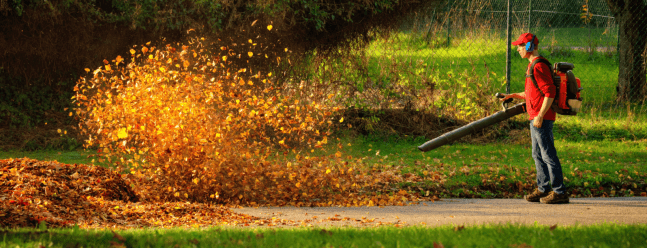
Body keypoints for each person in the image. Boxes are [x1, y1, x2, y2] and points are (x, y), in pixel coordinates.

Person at [499, 33, 569, 204]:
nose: (517, 49)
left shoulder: (538, 66)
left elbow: (550, 92)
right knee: (537, 154)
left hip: (541, 118)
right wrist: (512, 95)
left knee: (547, 154)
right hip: (536, 117)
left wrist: (540, 115)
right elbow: (532, 92)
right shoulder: (532, 66)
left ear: (529, 47)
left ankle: (559, 191)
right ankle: (543, 189)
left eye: (520, 46)